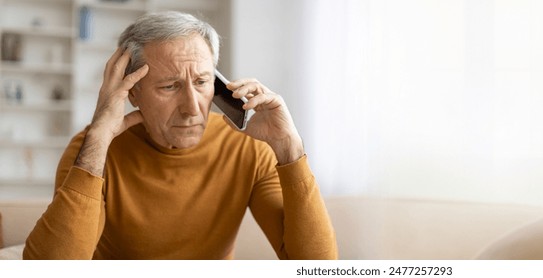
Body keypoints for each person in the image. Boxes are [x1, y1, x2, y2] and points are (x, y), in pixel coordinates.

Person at [22, 11, 337, 260]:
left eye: (201, 82)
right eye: (169, 86)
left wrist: (289, 148)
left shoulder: (248, 148)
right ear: (132, 93)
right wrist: (98, 141)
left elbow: (315, 266)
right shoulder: (91, 150)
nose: (192, 109)